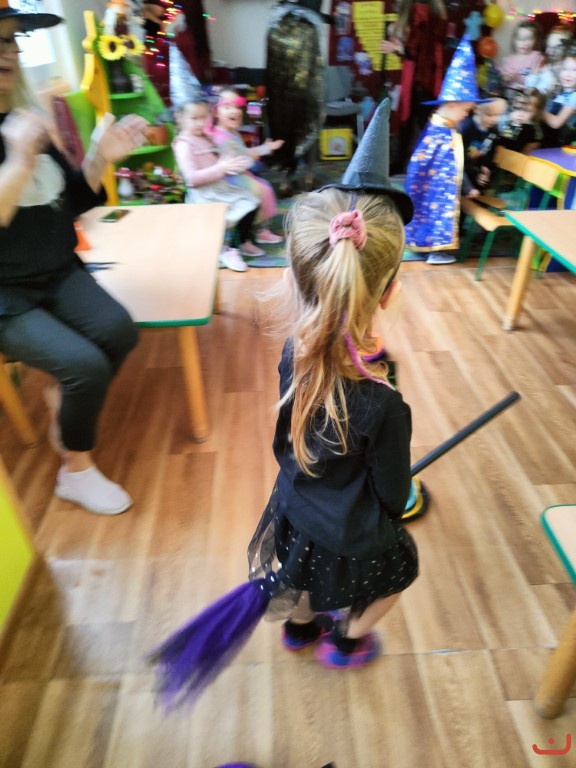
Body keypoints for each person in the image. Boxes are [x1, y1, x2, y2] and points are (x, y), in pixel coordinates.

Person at [149, 100, 423, 711]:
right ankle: (345, 641)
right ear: (390, 292)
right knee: (400, 572)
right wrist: (398, 503)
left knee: (298, 572)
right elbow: (391, 491)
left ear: (300, 276)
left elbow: (286, 441)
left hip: (294, 504)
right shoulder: (386, 404)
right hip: (351, 525)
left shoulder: (294, 353)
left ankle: (300, 630)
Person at [0, 2, 149, 515]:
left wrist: (100, 156)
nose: (8, 53)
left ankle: (61, 397)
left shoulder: (23, 120)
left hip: (57, 270)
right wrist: (19, 159)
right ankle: (75, 469)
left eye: (11, 41)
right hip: (5, 295)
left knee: (119, 331)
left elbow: (71, 200)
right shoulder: (21, 138)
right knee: (85, 367)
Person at [404, 35, 494, 264]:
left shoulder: (442, 127)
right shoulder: (442, 133)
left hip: (432, 187)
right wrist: (467, 186)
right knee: (435, 212)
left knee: (429, 212)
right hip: (435, 189)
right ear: (452, 105)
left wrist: (469, 183)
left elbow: (456, 164)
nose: (466, 116)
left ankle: (429, 246)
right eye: (465, 111)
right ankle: (435, 250)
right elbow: (448, 167)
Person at [172, 99, 261, 272]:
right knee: (231, 211)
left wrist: (233, 163)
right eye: (194, 118)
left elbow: (220, 159)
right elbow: (192, 179)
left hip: (219, 187)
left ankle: (240, 242)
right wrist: (221, 168)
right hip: (204, 194)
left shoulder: (205, 137)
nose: (200, 123)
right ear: (181, 119)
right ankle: (226, 250)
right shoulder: (183, 145)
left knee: (252, 201)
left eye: (203, 117)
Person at [265, 0, 333, 196]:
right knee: (307, 121)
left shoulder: (276, 26)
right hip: (301, 90)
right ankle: (306, 177)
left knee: (286, 126)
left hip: (284, 93)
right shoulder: (304, 27)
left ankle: (288, 180)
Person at [211, 87, 284, 257]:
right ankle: (243, 239)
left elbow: (244, 153)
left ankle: (259, 229)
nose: (235, 111)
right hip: (228, 178)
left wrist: (265, 148)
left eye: (237, 106)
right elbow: (242, 158)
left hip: (239, 173)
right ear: (215, 112)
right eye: (227, 107)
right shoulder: (220, 136)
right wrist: (262, 151)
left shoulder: (232, 132)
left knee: (264, 188)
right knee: (257, 191)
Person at [380, 0, 449, 171]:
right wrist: (400, 49)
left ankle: (416, 164)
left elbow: (419, 50)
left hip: (422, 79)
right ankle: (409, 163)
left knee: (415, 121)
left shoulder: (422, 11)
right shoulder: (435, 12)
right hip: (424, 77)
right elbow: (421, 49)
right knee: (415, 120)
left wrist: (400, 49)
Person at [459, 98, 507, 193]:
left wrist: (485, 166)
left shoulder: (493, 130)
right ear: (477, 110)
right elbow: (460, 159)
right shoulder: (466, 128)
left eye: (498, 115)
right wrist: (476, 174)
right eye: (489, 115)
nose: (494, 120)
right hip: (462, 173)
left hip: (477, 170)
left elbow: (489, 151)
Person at [498, 20, 544, 96]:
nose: (524, 43)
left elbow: (540, 80)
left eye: (529, 39)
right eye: (520, 39)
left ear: (535, 40)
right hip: (511, 96)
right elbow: (503, 83)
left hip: (530, 95)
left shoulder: (537, 57)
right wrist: (506, 78)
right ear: (514, 40)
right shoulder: (508, 60)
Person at [541, 48, 576, 147]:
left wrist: (538, 111)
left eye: (574, 70)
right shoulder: (558, 92)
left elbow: (556, 123)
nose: (568, 74)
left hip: (561, 144)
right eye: (564, 69)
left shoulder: (574, 97)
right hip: (548, 137)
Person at [525, 25, 574, 97]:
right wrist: (534, 75)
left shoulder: (570, 69)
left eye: (557, 47)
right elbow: (529, 87)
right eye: (549, 46)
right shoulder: (543, 65)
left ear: (567, 48)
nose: (551, 51)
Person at [498, 88, 544, 154]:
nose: (521, 114)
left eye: (527, 110)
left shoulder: (535, 133)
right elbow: (503, 144)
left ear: (536, 112)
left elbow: (524, 154)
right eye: (518, 108)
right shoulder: (511, 122)